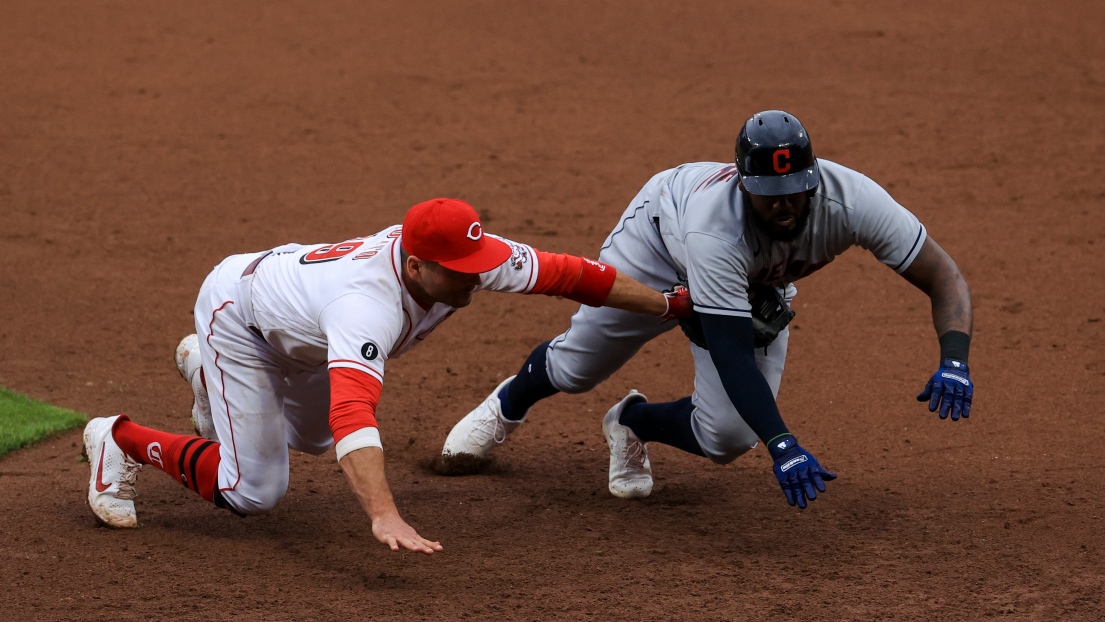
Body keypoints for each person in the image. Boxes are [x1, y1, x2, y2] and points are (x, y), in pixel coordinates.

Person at [82, 198, 690, 554]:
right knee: (255, 490)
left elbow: (576, 276)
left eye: (479, 264)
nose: (476, 279)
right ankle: (118, 439)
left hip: (298, 326)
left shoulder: (464, 258)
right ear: (417, 265)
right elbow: (354, 412)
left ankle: (205, 375)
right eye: (460, 273)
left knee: (315, 437)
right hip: (239, 320)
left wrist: (671, 305)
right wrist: (382, 513)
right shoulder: (365, 306)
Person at [440, 110, 975, 509]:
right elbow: (730, 350)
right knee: (580, 367)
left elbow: (944, 275)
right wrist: (784, 444)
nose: (785, 204)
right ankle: (507, 404)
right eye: (770, 194)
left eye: (795, 190)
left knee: (728, 438)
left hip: (748, 280)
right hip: (658, 245)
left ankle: (632, 421)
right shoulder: (714, 226)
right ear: (744, 182)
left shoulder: (853, 200)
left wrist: (954, 358)